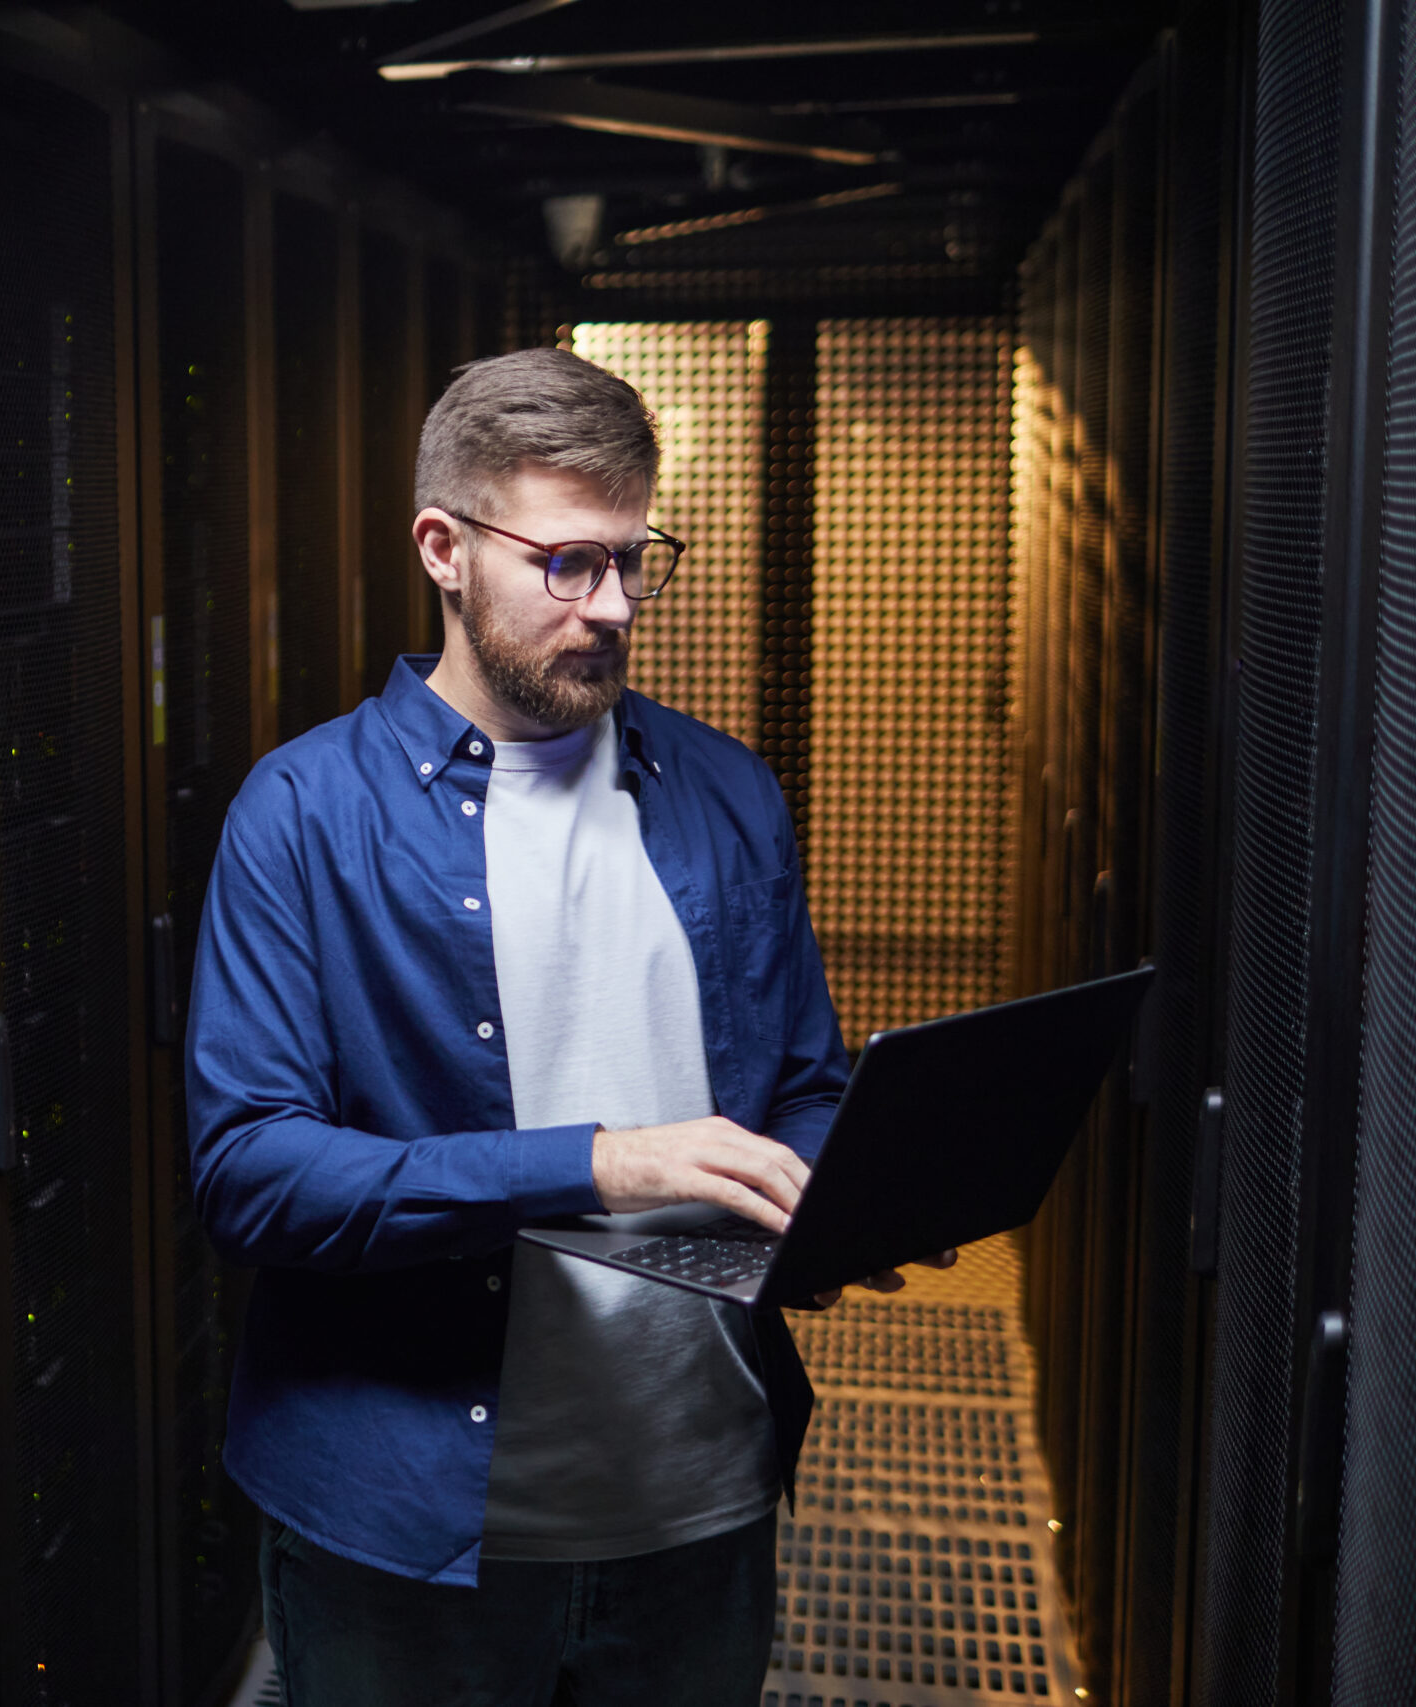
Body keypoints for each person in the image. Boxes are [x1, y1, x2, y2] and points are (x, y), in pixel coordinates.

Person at [185, 346, 949, 1706]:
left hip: (695, 1503)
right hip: (406, 1532)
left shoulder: (726, 795)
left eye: (634, 560)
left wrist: (838, 1205)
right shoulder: (302, 816)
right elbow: (251, 1173)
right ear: (444, 547)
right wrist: (596, 1162)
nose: (610, 608)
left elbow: (803, 1084)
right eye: (566, 565)